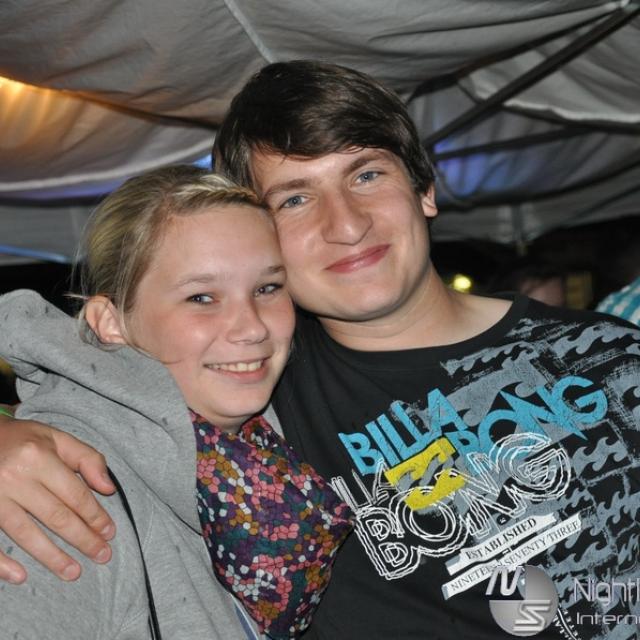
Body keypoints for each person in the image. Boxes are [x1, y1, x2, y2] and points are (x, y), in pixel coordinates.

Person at [1, 61, 640, 639]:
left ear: (424, 189)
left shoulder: (611, 358)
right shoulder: (249, 390)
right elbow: (98, 388)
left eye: (367, 174)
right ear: (261, 231)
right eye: (296, 198)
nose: (346, 224)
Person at [0, 165, 351, 639]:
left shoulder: (261, 452)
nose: (252, 327)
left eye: (267, 288)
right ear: (111, 322)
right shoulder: (59, 491)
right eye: (202, 297)